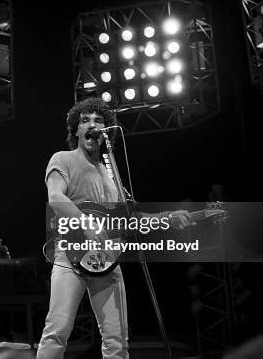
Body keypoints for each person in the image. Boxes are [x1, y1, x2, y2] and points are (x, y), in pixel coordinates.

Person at [36, 98, 192, 359]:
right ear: (76, 129)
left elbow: (132, 218)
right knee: (57, 331)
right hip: (69, 257)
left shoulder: (112, 174)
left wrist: (169, 217)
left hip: (107, 260)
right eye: (85, 120)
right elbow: (56, 198)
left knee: (117, 339)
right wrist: (86, 224)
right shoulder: (62, 159)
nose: (92, 125)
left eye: (98, 120)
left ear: (107, 131)